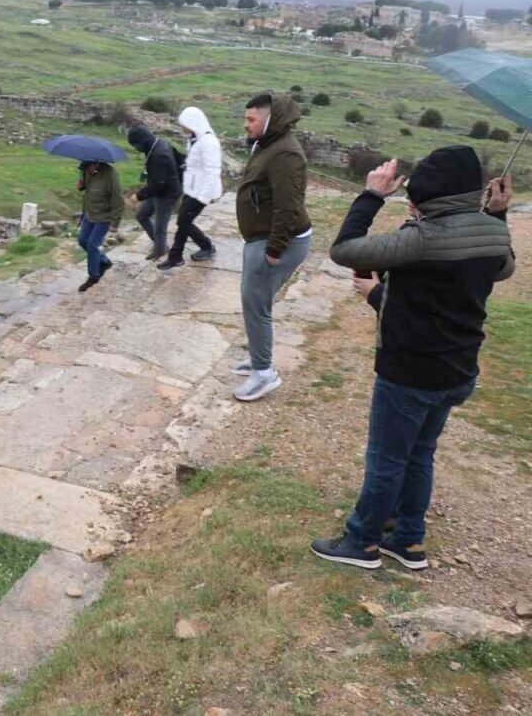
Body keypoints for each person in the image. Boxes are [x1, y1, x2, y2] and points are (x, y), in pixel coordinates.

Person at [311, 150, 514, 569]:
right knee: (420, 453)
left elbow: (346, 249)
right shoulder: (494, 233)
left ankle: (362, 542)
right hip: (457, 370)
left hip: (410, 371)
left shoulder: (424, 238)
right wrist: (497, 214)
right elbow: (495, 272)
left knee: (387, 459)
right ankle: (407, 540)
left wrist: (371, 196)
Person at [232, 93, 312, 402]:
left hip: (277, 241)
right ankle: (257, 356)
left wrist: (275, 250)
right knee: (253, 300)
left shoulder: (285, 155)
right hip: (262, 237)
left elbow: (288, 207)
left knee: (256, 304)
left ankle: (264, 374)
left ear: (270, 119)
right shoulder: (269, 144)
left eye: (251, 119)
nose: (246, 124)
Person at [159, 107, 222, 270]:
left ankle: (205, 247)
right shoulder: (194, 139)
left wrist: (203, 197)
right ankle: (176, 256)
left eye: (185, 124)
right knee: (184, 221)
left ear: (194, 123)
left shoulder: (209, 142)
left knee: (183, 221)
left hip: (202, 192)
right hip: (192, 189)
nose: (182, 128)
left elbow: (212, 171)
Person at [128, 124, 183, 261]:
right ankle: (161, 246)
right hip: (158, 190)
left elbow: (158, 184)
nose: (136, 149)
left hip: (167, 193)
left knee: (160, 228)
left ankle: (160, 254)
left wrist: (138, 196)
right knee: (142, 216)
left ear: (142, 141)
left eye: (135, 145)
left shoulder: (159, 154)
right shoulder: (157, 144)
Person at [76, 160, 124, 291]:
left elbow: (118, 199)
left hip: (104, 216)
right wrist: (81, 186)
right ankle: (103, 261)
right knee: (82, 240)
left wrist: (115, 223)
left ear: (96, 164)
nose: (87, 172)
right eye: (85, 170)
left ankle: (94, 276)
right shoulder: (86, 171)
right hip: (89, 213)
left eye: (89, 169)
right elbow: (86, 187)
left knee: (92, 244)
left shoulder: (110, 175)